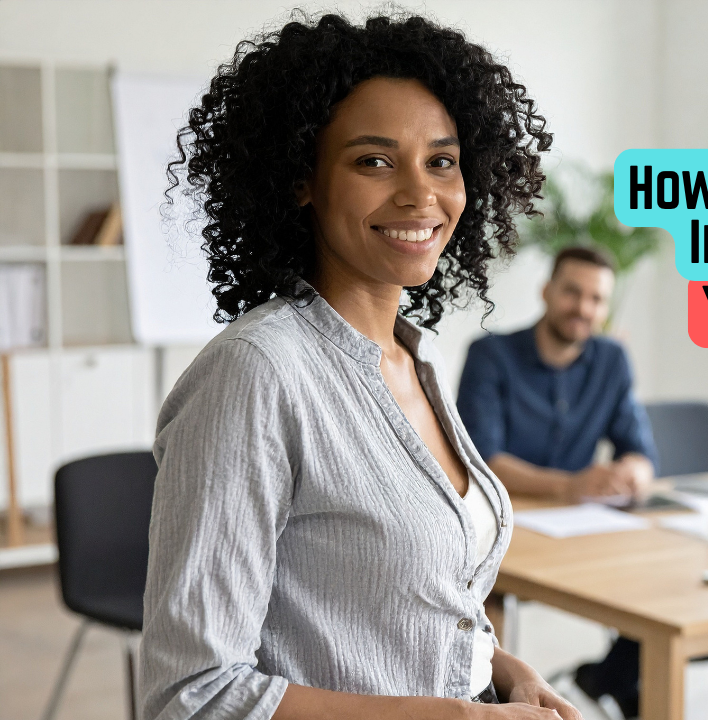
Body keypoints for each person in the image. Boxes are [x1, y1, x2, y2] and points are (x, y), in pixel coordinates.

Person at [140, 14, 581, 720]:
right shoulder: (257, 374)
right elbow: (193, 697)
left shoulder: (419, 354)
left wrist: (501, 668)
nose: (419, 194)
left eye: (441, 160)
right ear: (300, 182)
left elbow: (410, 595)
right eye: (374, 161)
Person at [457, 246, 657, 503]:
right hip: (505, 513)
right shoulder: (490, 355)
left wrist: (635, 472)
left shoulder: (613, 360)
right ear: (546, 292)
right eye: (572, 292)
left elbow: (639, 451)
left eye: (596, 299)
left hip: (581, 517)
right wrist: (568, 486)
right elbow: (481, 460)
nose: (583, 309)